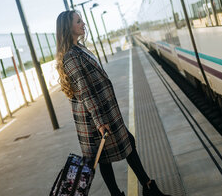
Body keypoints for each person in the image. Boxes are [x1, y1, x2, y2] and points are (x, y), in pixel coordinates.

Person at [55, 10, 169, 196]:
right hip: (95, 118)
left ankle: (142, 188)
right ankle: (147, 188)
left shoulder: (79, 49)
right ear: (68, 27)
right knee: (113, 153)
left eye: (82, 20)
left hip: (104, 111)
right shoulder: (71, 57)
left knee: (110, 155)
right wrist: (100, 121)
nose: (83, 23)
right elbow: (85, 91)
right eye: (78, 21)